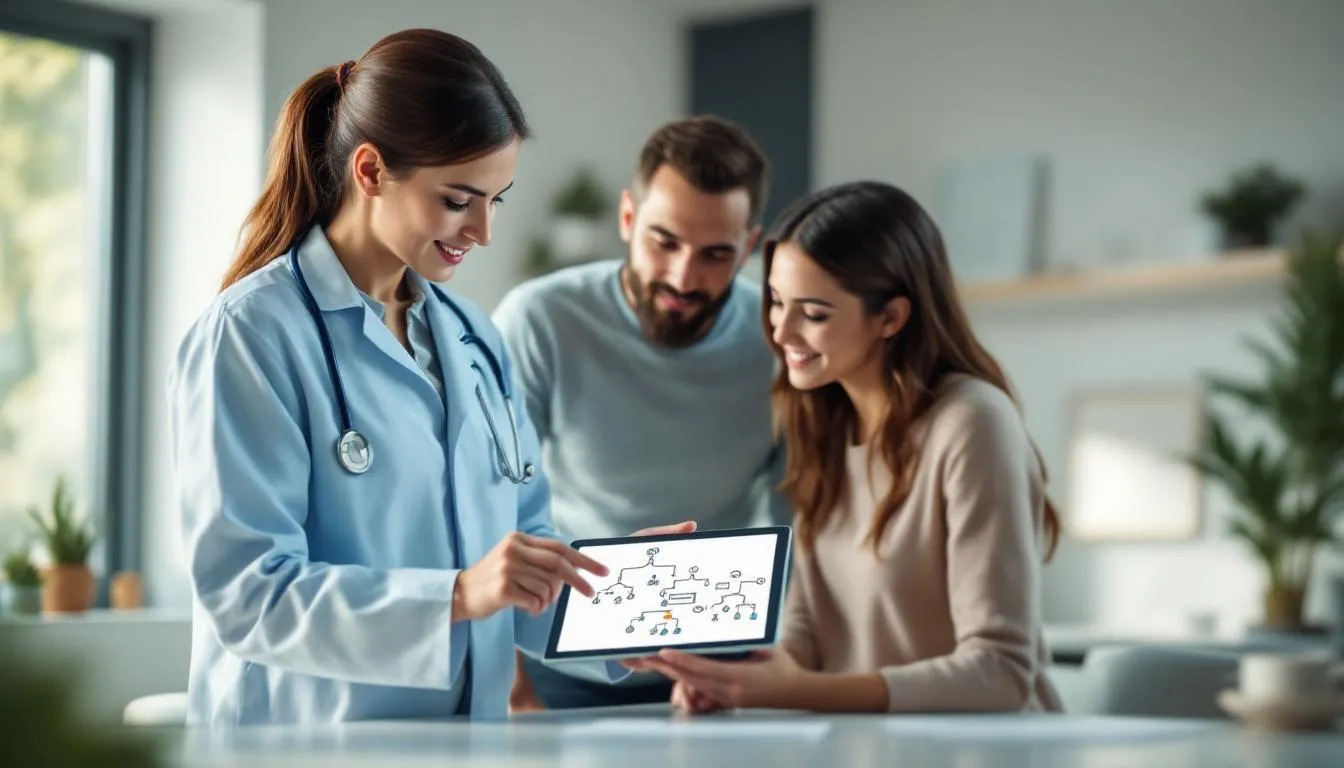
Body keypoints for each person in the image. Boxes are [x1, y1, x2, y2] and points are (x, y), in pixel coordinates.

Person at [166, 28, 690, 727]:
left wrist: (626, 607)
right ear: (371, 171)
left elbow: (521, 563)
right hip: (303, 743)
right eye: (458, 199)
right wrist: (455, 597)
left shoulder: (474, 341)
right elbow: (247, 596)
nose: (482, 230)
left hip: (462, 740)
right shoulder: (253, 335)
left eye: (496, 200)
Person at [626, 181, 1065, 714]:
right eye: (776, 302)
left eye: (813, 313)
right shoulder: (825, 421)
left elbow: (999, 671)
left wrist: (789, 690)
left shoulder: (972, 423)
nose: (781, 330)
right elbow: (809, 628)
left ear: (891, 318)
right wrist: (741, 679)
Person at [490, 116, 788, 710]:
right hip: (560, 651)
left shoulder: (781, 339)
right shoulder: (540, 319)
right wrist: (506, 671)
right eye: (664, 242)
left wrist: (792, 638)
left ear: (750, 247)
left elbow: (800, 503)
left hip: (721, 655)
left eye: (715, 254)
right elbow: (492, 498)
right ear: (628, 218)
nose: (683, 277)